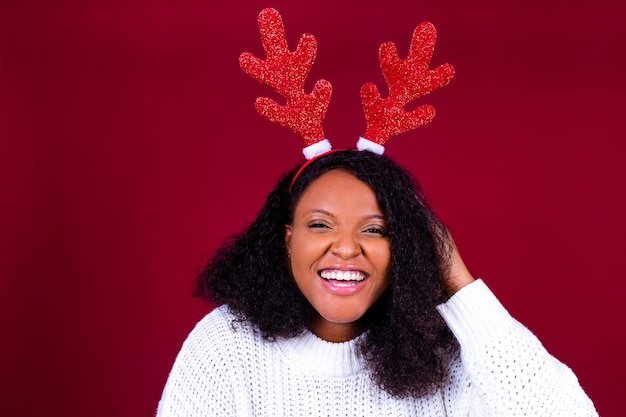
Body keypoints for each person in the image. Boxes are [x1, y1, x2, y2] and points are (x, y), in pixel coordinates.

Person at [156, 149, 598, 416]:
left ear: (404, 245)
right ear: (287, 240)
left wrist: (458, 283)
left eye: (374, 230)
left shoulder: (447, 355)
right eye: (320, 225)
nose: (346, 249)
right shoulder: (225, 346)